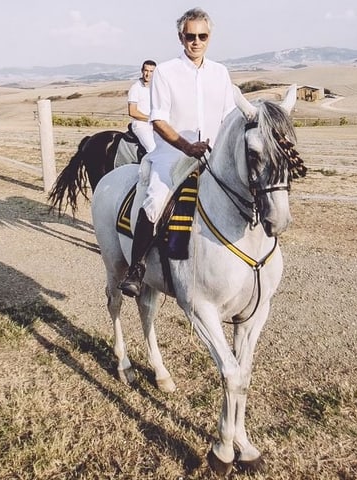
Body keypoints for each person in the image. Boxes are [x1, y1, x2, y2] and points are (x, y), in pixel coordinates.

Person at [119, 7, 236, 297]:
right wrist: (186, 146)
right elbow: (158, 120)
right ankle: (136, 268)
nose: (196, 42)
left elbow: (230, 116)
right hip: (173, 155)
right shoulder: (165, 72)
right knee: (155, 201)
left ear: (210, 37)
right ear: (180, 37)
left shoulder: (221, 73)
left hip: (212, 155)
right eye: (189, 36)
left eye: (202, 36)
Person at [127, 60, 157, 153]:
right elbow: (132, 112)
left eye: (151, 71)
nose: (148, 74)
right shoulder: (135, 88)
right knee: (153, 149)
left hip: (156, 124)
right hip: (141, 125)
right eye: (146, 70)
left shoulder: (156, 87)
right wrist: (151, 118)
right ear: (142, 71)